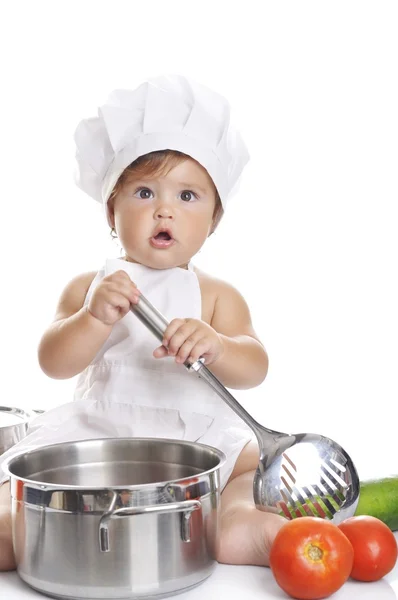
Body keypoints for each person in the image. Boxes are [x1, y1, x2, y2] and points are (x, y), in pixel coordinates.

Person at [0, 74, 286, 571]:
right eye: (145, 192)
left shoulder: (217, 295)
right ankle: (13, 531)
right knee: (18, 484)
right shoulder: (90, 286)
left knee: (244, 470)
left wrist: (218, 344)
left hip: (192, 440)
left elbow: (255, 366)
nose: (165, 210)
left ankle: (241, 527)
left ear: (213, 220)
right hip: (101, 433)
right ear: (111, 210)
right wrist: (92, 318)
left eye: (188, 197)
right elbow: (54, 363)